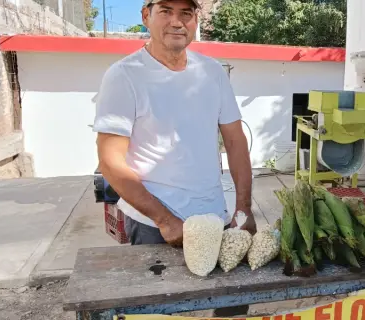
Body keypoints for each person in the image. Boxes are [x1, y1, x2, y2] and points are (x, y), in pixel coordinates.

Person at [93, 0, 255, 316]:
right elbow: (111, 161)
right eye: (166, 11)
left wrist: (244, 208)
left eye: (186, 13)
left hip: (215, 217)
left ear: (196, 19)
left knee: (232, 306)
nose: (177, 22)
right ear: (145, 17)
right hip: (154, 225)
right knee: (156, 311)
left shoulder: (212, 72)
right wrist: (164, 220)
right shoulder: (124, 75)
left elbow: (236, 142)